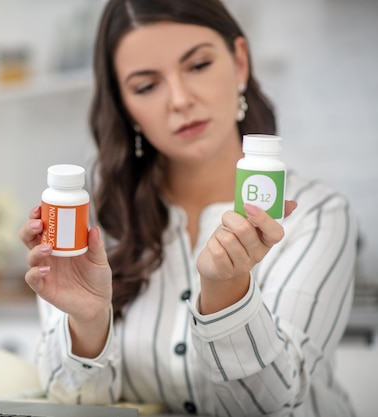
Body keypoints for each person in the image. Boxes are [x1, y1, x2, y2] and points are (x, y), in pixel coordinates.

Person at [18, 0, 358, 415]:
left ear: (239, 63)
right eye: (146, 86)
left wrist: (228, 294)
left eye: (198, 65)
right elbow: (72, 406)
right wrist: (88, 323)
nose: (179, 99)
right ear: (127, 108)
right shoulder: (88, 230)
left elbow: (276, 404)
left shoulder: (317, 215)